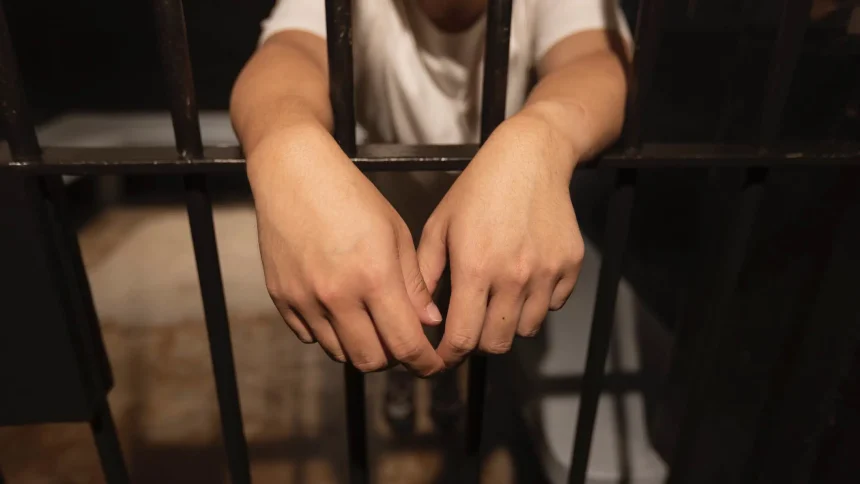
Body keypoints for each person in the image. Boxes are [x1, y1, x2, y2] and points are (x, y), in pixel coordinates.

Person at [230, 0, 631, 413]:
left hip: (502, 216)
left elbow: (597, 60)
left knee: (467, 318)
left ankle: (447, 384)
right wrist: (283, 141)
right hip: (387, 210)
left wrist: (544, 137)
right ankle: (406, 382)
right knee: (401, 321)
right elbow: (289, 52)